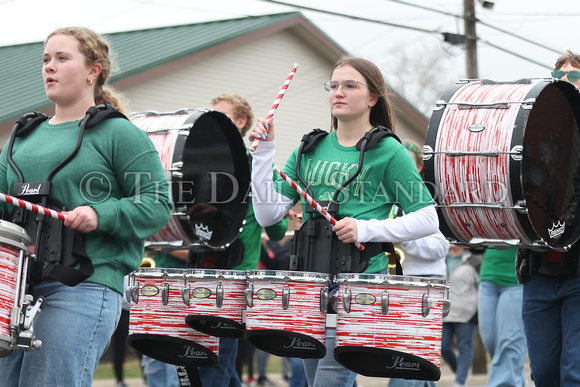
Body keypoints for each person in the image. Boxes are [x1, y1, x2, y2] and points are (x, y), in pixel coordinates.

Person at [248, 56, 439, 387]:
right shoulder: (310, 148)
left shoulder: (389, 152)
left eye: (350, 85)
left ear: (372, 98)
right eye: (333, 85)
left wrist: (366, 229)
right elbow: (268, 214)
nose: (339, 91)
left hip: (359, 282)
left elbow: (428, 218)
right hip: (308, 281)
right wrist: (264, 153)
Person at [0, 26, 172, 387]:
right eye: (46, 59)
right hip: (14, 288)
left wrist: (101, 213)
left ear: (94, 70)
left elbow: (158, 204)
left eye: (62, 58)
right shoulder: (22, 136)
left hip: (84, 286)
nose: (50, 67)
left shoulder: (118, 133)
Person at [197, 93, 288, 387]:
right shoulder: (201, 166)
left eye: (220, 117)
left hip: (237, 274)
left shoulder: (257, 165)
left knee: (217, 365)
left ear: (241, 122)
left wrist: (274, 206)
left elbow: (275, 230)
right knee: (208, 365)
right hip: (201, 271)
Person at [518, 50, 580, 386]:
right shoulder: (533, 133)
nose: (565, 84)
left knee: (575, 372)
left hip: (578, 276)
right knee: (543, 373)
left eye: (574, 77)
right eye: (558, 78)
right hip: (539, 273)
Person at [386, 140, 448, 387]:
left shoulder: (426, 199)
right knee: (416, 362)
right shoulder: (388, 196)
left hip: (426, 284)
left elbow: (442, 247)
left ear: (419, 168)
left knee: (408, 360)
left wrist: (405, 241)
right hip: (395, 284)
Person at [478, 247, 528, 387]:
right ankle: (517, 379)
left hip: (515, 280)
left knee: (510, 341)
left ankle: (507, 383)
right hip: (488, 275)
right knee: (490, 340)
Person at [440, 244, 481, 387]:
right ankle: (461, 371)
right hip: (445, 313)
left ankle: (459, 382)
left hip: (466, 312)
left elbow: (482, 285)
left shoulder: (473, 261)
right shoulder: (441, 259)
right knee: (443, 347)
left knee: (465, 347)